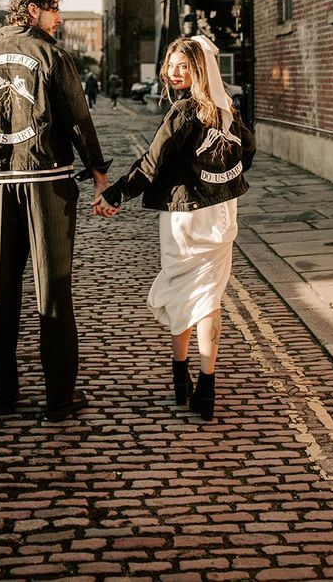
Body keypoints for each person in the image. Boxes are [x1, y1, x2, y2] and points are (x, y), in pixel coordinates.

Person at [0, 0, 112, 422]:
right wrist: (99, 175)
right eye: (54, 9)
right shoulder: (52, 57)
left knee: (0, 295)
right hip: (48, 183)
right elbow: (79, 119)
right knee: (54, 292)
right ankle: (59, 398)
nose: (59, 18)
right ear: (32, 9)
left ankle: (4, 397)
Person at [94, 36, 255, 421]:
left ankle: (182, 379)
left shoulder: (183, 113)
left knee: (186, 293)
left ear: (199, 69)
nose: (174, 72)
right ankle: (202, 386)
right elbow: (247, 153)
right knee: (208, 299)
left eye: (183, 65)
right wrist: (217, 178)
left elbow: (151, 163)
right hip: (221, 215)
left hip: (186, 218)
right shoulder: (226, 110)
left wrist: (115, 195)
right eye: (171, 64)